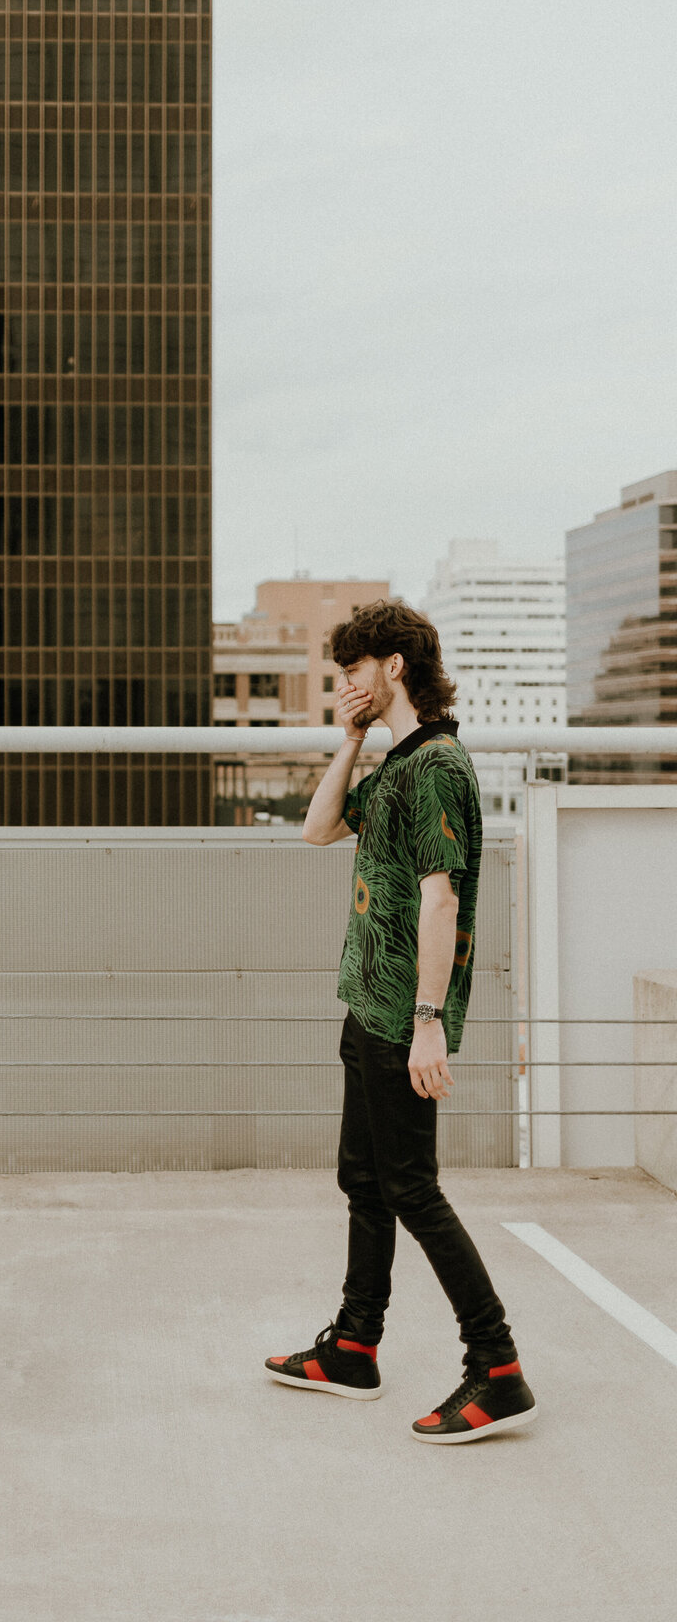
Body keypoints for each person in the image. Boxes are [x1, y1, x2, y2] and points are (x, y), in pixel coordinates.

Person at [264, 601, 536, 1443]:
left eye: (352, 672)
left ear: (394, 666)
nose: (343, 686)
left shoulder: (439, 768)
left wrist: (428, 1023)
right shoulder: (393, 763)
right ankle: (354, 1345)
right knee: (366, 1182)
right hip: (367, 1005)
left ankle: (497, 1368)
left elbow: (442, 899)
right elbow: (315, 831)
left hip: (400, 1016)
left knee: (411, 1186)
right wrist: (347, 739)